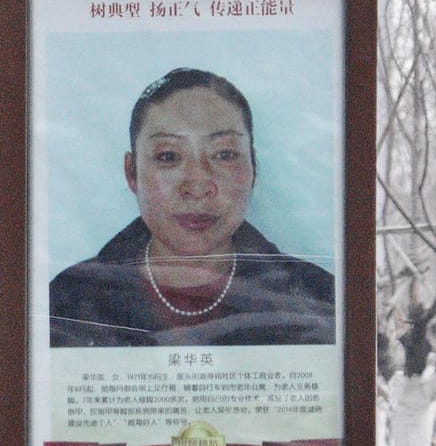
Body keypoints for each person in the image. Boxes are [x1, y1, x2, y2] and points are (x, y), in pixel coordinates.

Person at [48, 68, 336, 347]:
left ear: (254, 168)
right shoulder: (67, 301)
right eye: (168, 156)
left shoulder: (318, 300)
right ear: (131, 172)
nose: (197, 186)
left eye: (224, 154)